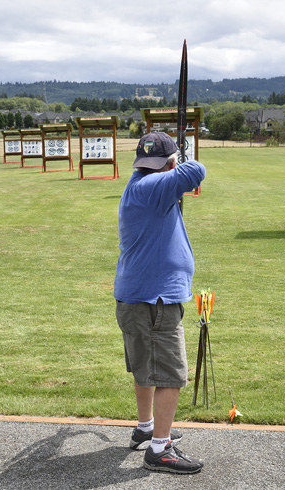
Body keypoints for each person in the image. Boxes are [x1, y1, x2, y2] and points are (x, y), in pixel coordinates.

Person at [114, 131, 205, 474]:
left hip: (141, 297)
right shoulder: (153, 187)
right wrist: (179, 158)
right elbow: (195, 171)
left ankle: (147, 426)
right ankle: (160, 449)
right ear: (164, 165)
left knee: (146, 367)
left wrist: (171, 159)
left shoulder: (140, 184)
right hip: (154, 300)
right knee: (170, 373)